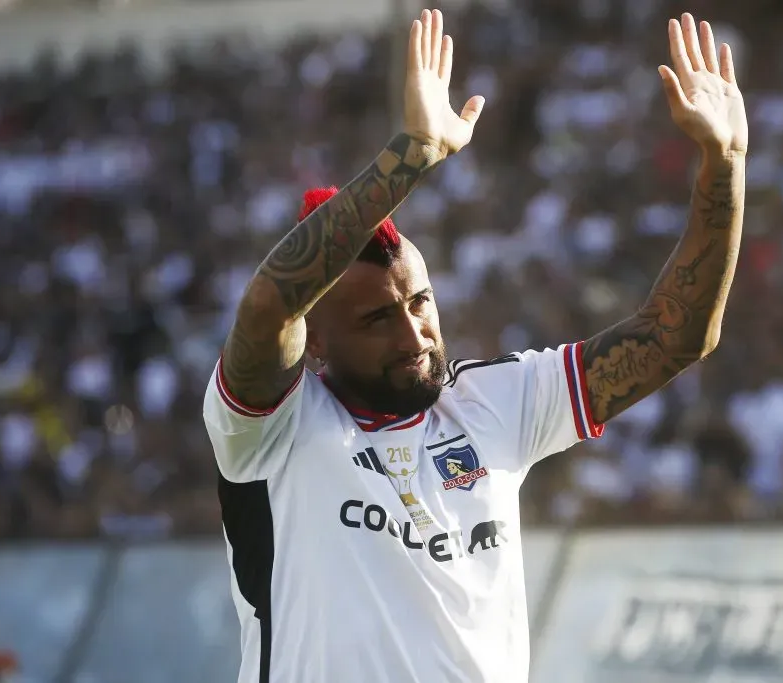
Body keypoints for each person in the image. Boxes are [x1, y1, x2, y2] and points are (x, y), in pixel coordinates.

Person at [203, 8, 747, 683]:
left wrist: (723, 165)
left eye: (420, 302)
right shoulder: (269, 433)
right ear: (314, 342)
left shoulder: (495, 402)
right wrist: (409, 157)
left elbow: (674, 336)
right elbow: (267, 305)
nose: (414, 334)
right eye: (376, 320)